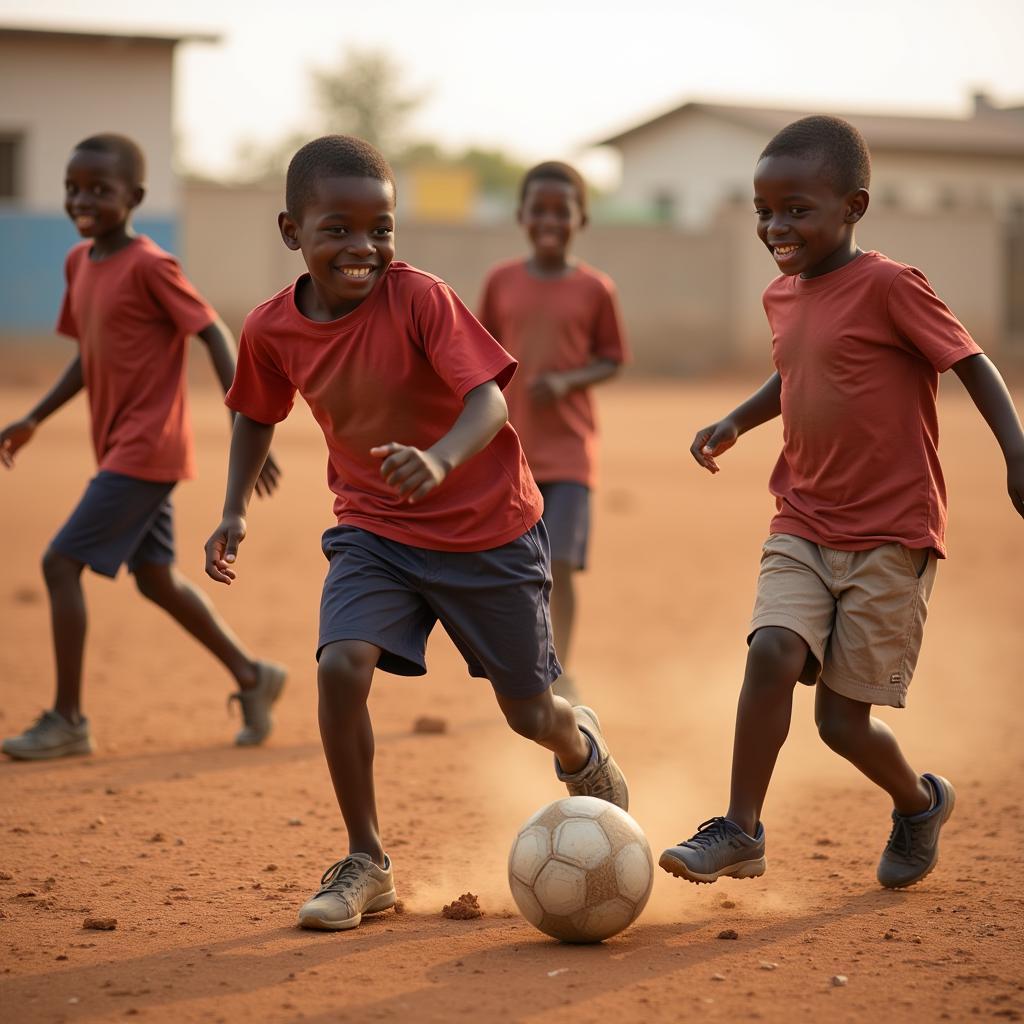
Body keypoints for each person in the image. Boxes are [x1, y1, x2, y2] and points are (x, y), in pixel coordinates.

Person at [202, 135, 629, 932]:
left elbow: (491, 402)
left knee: (530, 713)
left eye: (381, 228)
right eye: (338, 229)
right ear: (292, 231)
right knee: (340, 666)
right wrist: (234, 508)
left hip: (488, 529)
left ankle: (581, 748)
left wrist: (438, 461)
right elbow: (254, 412)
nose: (363, 247)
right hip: (375, 529)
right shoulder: (269, 329)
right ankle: (367, 860)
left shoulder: (422, 298)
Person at [660, 116, 1024, 890]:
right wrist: (737, 418)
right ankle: (742, 829)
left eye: (797, 209)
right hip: (803, 516)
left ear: (853, 206)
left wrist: (1016, 450)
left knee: (839, 723)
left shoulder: (893, 285)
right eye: (764, 210)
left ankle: (920, 802)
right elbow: (794, 371)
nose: (775, 227)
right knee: (770, 650)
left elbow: (972, 362)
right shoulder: (780, 295)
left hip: (893, 532)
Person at [0, 133, 286, 761]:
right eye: (74, 188)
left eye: (100, 190)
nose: (83, 200)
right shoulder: (79, 263)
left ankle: (69, 719)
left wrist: (248, 416)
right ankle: (252, 675)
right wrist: (35, 418)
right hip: (120, 449)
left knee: (58, 563)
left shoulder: (153, 265)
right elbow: (88, 355)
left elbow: (212, 332)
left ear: (135, 197)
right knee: (155, 579)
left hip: (146, 448)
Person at [478, 162, 629, 704]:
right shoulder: (501, 281)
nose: (548, 220)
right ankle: (525, 664)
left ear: (580, 218)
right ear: (521, 215)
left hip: (569, 452)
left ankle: (557, 667)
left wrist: (568, 380)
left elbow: (612, 358)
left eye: (560, 210)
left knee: (558, 563)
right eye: (538, 210)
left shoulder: (595, 289)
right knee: (516, 568)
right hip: (507, 450)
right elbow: (479, 354)